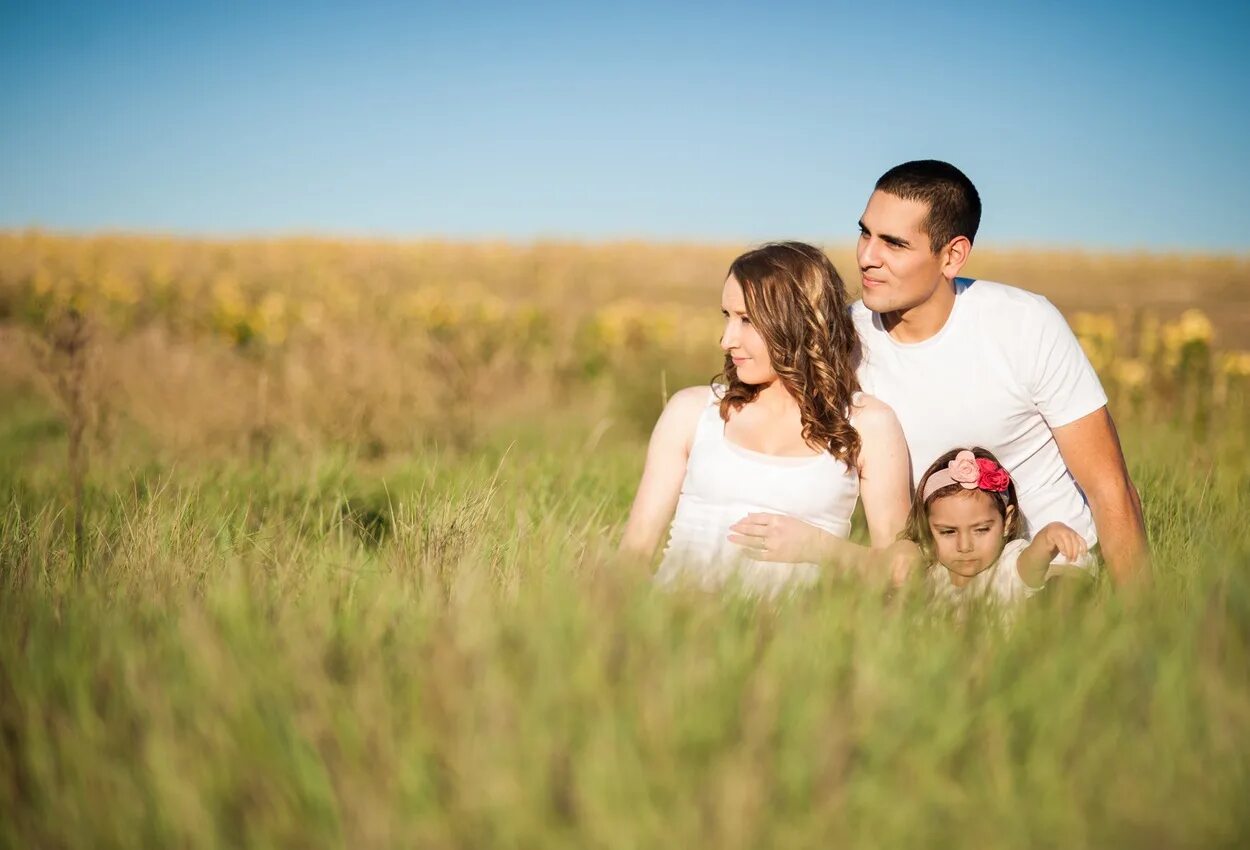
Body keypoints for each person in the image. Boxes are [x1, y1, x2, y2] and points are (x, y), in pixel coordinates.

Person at [847, 160, 1148, 585]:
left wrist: (1144, 625)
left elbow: (1110, 486)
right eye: (865, 232)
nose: (867, 256)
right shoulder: (843, 338)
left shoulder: (1025, 323)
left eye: (894, 244)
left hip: (1053, 571)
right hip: (935, 577)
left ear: (951, 256)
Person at [619, 242, 911, 596]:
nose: (727, 339)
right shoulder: (692, 412)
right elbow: (632, 558)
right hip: (678, 627)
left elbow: (904, 571)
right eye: (727, 317)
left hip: (797, 641)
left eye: (746, 320)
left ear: (798, 321)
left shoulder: (869, 423)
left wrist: (819, 547)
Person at [901, 447, 1089, 608]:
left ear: (1007, 521)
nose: (965, 546)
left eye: (981, 530)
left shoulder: (1009, 566)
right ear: (926, 527)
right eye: (948, 532)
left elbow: (1032, 562)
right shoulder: (930, 570)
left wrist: (1049, 536)